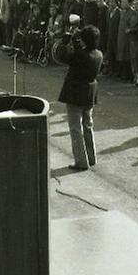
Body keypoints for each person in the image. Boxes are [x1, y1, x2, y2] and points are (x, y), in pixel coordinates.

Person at [57, 26, 103, 170]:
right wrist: (77, 42)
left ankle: (80, 161)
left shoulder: (80, 55)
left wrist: (64, 42)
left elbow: (62, 56)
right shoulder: (98, 54)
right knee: (88, 125)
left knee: (75, 128)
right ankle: (91, 156)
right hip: (90, 91)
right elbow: (80, 55)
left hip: (75, 92)